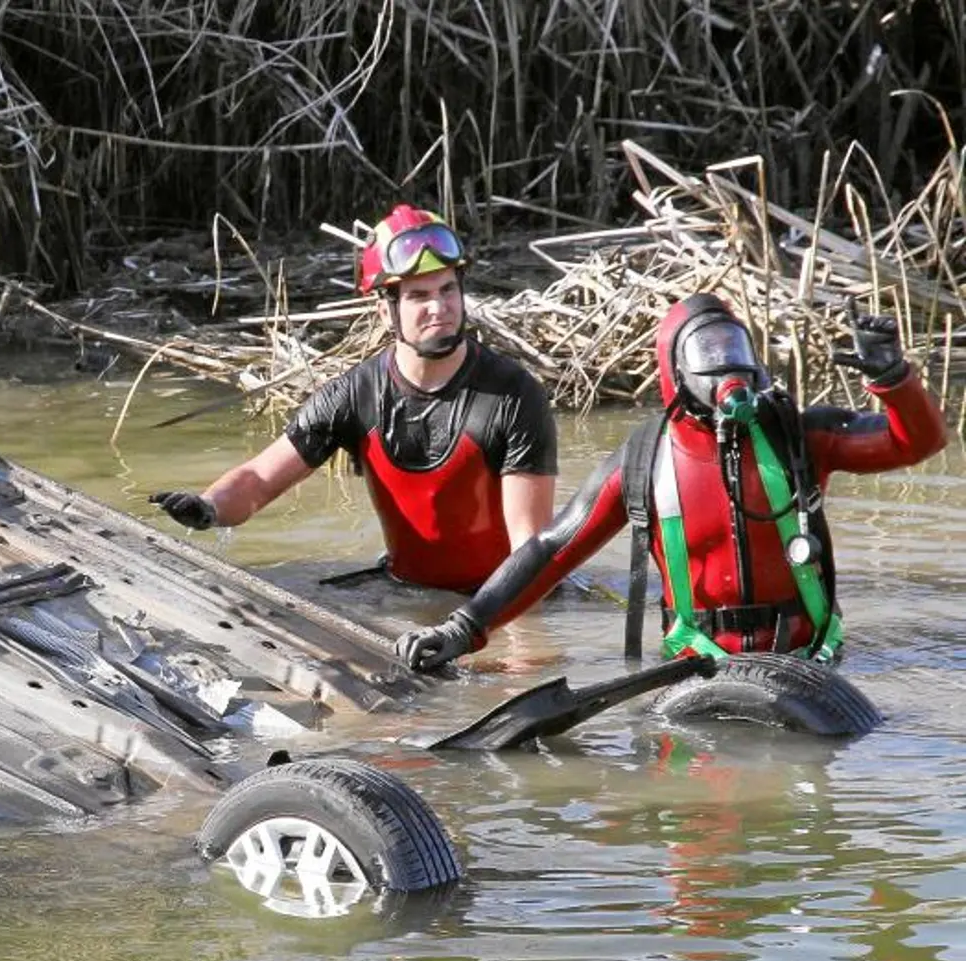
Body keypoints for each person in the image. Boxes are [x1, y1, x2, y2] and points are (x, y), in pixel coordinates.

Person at [395, 293, 947, 671]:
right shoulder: (644, 460)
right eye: (709, 355)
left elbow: (916, 443)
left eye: (734, 350)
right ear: (674, 373)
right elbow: (552, 550)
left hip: (810, 662)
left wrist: (893, 380)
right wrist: (463, 629)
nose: (727, 367)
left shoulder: (797, 435)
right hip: (697, 669)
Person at [147, 204, 558, 593]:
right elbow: (259, 480)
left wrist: (476, 631)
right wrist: (208, 508)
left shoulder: (515, 397)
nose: (440, 307)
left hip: (500, 602)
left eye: (448, 289)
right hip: (404, 592)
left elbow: (531, 553)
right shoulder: (351, 396)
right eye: (419, 296)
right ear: (385, 310)